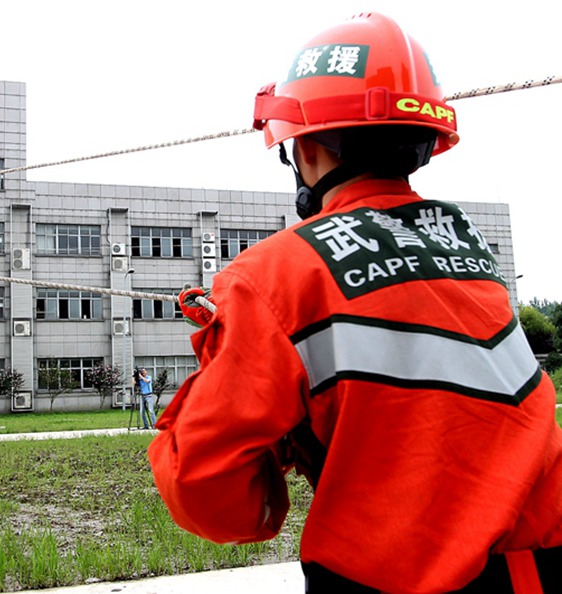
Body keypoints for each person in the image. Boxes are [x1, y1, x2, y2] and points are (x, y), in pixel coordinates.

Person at [148, 12, 562, 594]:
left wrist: (275, 472)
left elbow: (205, 486)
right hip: (541, 563)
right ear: (422, 144)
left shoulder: (272, 276)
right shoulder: (468, 252)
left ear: (306, 147)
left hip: (397, 579)